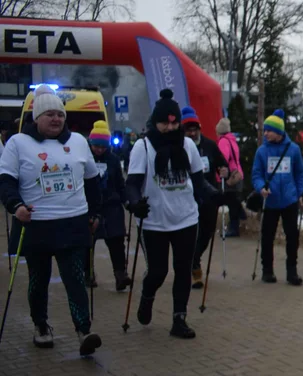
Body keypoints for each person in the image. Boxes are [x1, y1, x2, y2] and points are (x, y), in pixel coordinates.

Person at [0, 91, 104, 355]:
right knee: (38, 280)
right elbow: (6, 182)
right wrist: (16, 206)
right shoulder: (18, 143)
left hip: (73, 223)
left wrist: (95, 214)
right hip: (37, 225)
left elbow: (92, 182)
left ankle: (84, 330)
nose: (56, 119)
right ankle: (41, 326)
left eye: (60, 114)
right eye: (50, 114)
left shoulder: (79, 142)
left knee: (76, 279)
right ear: (37, 118)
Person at [125, 90, 209, 340]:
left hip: (185, 218)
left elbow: (199, 181)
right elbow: (131, 183)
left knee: (183, 270)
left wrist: (216, 196)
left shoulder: (188, 146)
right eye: (165, 122)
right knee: (158, 272)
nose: (170, 127)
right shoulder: (143, 146)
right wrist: (134, 203)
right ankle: (147, 296)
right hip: (154, 221)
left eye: (175, 123)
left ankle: (179, 319)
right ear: (155, 122)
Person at [251, 109, 303, 285]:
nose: (265, 133)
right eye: (265, 130)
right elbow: (256, 174)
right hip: (270, 200)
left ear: (279, 131)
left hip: (289, 200)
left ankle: (292, 272)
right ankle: (267, 270)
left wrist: (300, 193)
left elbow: (300, 173)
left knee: (292, 237)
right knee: (267, 236)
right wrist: (261, 188)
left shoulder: (293, 150)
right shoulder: (262, 151)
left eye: (269, 130)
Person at [181, 106, 228, 289]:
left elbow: (222, 164)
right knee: (193, 234)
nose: (192, 133)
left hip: (209, 198)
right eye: (188, 129)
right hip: (188, 198)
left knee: (207, 233)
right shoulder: (179, 149)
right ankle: (194, 266)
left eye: (195, 129)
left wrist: (225, 170)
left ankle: (195, 258)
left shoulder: (209, 145)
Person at [88, 120, 132, 291]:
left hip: (112, 205)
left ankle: (120, 275)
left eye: (102, 146)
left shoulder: (113, 160)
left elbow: (120, 184)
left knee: (117, 240)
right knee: (88, 243)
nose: (99, 149)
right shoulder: (85, 159)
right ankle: (88, 273)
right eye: (96, 146)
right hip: (91, 205)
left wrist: (127, 201)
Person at [216, 117, 245, 238]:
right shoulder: (232, 140)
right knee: (233, 200)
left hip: (230, 176)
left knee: (230, 200)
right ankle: (240, 216)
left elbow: (223, 158)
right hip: (238, 173)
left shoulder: (223, 141)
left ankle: (234, 227)